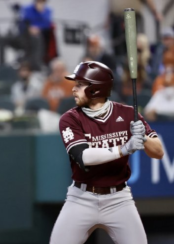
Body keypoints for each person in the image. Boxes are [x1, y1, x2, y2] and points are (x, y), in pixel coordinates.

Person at [50, 61, 164, 244]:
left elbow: (158, 152)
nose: (74, 89)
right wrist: (124, 148)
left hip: (119, 199)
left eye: (80, 85)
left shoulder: (127, 114)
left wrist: (143, 138)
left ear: (95, 89)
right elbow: (84, 157)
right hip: (81, 198)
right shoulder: (70, 119)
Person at [21, 0, 57, 70]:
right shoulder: (27, 8)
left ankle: (37, 62)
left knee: (38, 37)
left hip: (42, 33)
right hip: (27, 33)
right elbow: (25, 21)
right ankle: (30, 62)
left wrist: (41, 12)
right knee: (35, 37)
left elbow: (47, 24)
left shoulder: (48, 10)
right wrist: (31, 28)